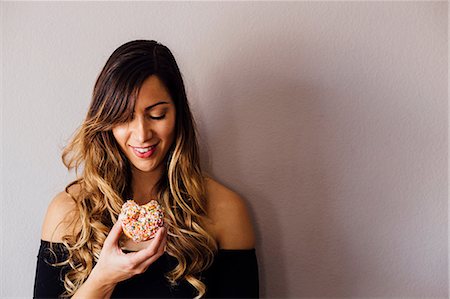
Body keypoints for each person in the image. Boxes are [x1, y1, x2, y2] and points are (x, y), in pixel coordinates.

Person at [33, 40, 259, 298]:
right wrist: (103, 279)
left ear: (178, 115)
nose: (141, 134)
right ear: (106, 122)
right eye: (124, 117)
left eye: (157, 115)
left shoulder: (226, 210)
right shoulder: (69, 211)